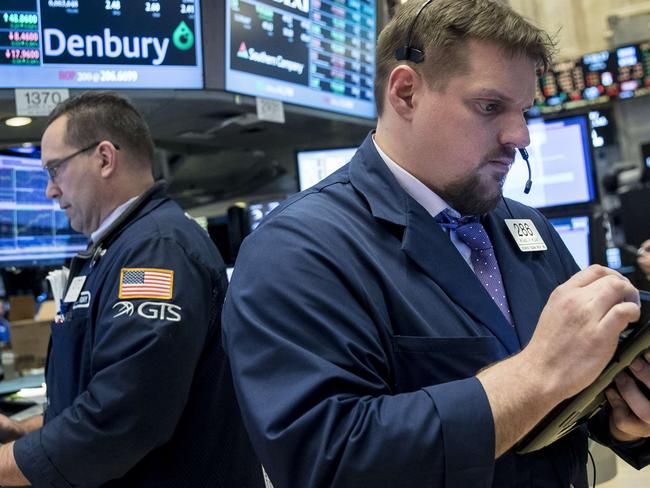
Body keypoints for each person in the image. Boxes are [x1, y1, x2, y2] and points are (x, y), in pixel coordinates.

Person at [222, 1, 650, 486]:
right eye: (490, 107)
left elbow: (571, 398)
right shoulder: (296, 251)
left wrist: (622, 418)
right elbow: (330, 462)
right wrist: (535, 374)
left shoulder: (525, 227)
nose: (521, 136)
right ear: (405, 92)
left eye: (524, 111)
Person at [0, 92, 263, 487]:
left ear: (104, 158)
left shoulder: (155, 251)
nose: (50, 191)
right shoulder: (120, 247)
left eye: (55, 170)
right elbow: (103, 393)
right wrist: (28, 432)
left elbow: (122, 420)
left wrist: (10, 463)